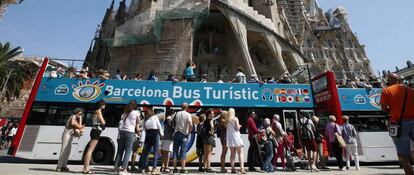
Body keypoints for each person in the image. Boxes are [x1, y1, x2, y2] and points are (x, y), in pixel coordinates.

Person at [380, 73, 414, 175]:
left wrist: (392, 109)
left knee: (404, 155)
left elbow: (384, 109)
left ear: (389, 81)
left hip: (399, 124)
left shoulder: (386, 91)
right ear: (399, 80)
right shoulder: (410, 90)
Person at [114, 101, 141, 175]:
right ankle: (124, 169)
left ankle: (116, 169)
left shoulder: (124, 114)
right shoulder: (136, 113)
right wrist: (139, 134)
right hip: (130, 132)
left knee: (120, 151)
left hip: (122, 132)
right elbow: (137, 126)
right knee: (128, 151)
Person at [56, 108, 85, 172]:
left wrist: (80, 119)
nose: (80, 115)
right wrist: (80, 126)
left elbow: (79, 125)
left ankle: (64, 166)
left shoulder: (78, 118)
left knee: (68, 151)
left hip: (70, 135)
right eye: (79, 114)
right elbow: (73, 123)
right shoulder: (73, 116)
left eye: (81, 114)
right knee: (64, 150)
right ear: (76, 112)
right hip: (67, 134)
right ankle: (59, 166)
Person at [83, 100, 106, 174]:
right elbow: (103, 122)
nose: (105, 105)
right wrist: (104, 124)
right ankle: (86, 169)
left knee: (90, 150)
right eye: (104, 104)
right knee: (90, 150)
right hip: (96, 131)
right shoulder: (98, 111)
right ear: (101, 105)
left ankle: (85, 168)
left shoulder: (97, 111)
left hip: (95, 131)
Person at [139, 107, 163, 175]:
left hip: (148, 136)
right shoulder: (155, 118)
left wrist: (142, 140)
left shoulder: (145, 120)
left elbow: (143, 130)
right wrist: (162, 134)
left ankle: (145, 168)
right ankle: (154, 168)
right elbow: (159, 127)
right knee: (156, 152)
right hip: (155, 135)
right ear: (152, 112)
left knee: (146, 153)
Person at [172, 103, 193, 174]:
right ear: (187, 107)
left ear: (181, 107)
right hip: (184, 134)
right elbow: (190, 124)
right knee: (183, 151)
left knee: (175, 150)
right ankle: (183, 168)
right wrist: (188, 133)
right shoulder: (188, 114)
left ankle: (174, 168)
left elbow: (171, 122)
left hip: (176, 133)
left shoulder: (176, 114)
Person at [226, 108, 246, 174]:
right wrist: (240, 126)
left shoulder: (227, 120)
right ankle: (242, 168)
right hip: (236, 137)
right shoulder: (235, 119)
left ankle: (233, 169)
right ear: (233, 112)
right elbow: (237, 128)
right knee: (240, 153)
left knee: (232, 154)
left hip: (230, 139)